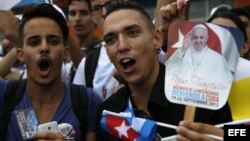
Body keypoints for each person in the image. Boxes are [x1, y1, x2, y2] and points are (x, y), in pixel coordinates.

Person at [96, 1, 232, 140]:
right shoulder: (109, 115)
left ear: (156, 39)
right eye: (111, 39)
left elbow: (241, 132)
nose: (122, 46)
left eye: (132, 33)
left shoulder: (202, 94)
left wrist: (225, 137)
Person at [0, 3, 101, 141]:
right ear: (20, 54)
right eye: (34, 42)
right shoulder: (4, 94)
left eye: (53, 41)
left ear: (65, 52)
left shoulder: (88, 101)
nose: (44, 47)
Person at [73, 0, 122, 101]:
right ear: (91, 15)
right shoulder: (87, 65)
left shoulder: (146, 45)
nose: (104, 12)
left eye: (110, 4)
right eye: (96, 8)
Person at [165, 23, 233, 89]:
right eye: (195, 37)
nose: (198, 41)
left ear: (206, 38)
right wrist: (183, 49)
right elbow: (168, 70)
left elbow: (227, 83)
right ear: (191, 38)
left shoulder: (218, 58)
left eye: (201, 37)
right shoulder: (182, 52)